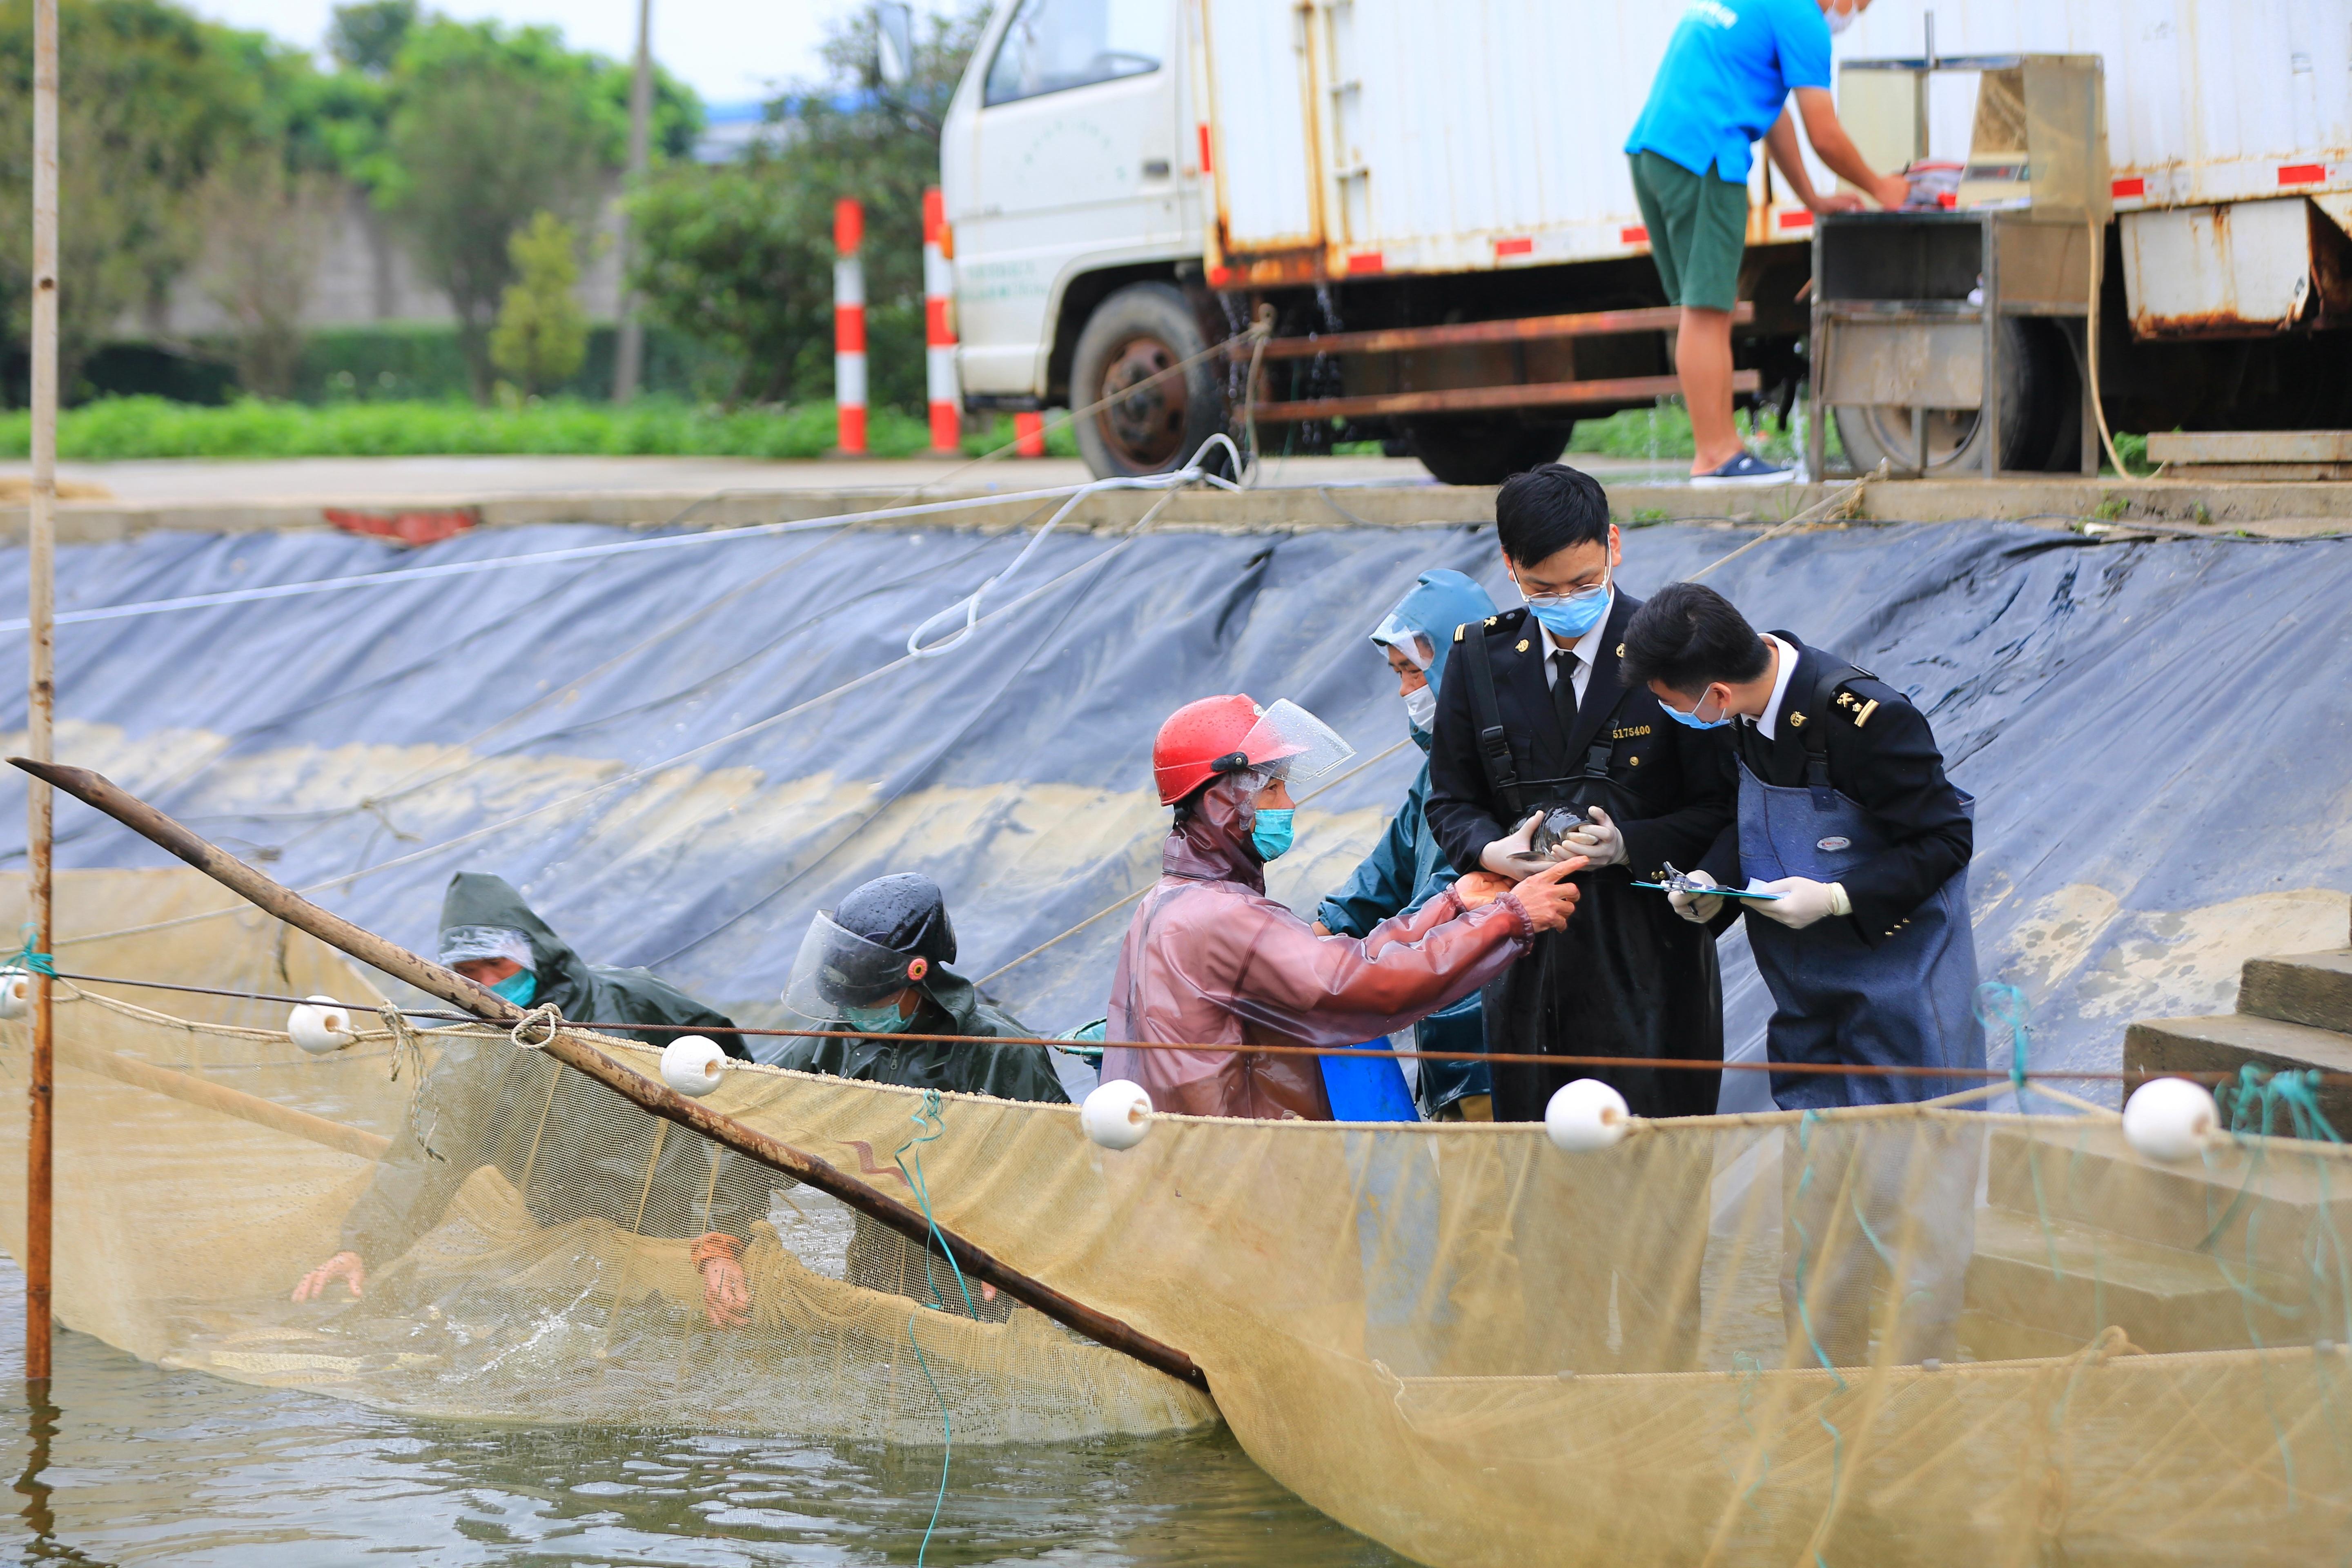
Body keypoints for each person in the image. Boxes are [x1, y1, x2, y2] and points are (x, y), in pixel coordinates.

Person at [1621, 581, 1983, 1364]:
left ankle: (1924, 1374)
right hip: (1807, 999)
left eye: (1680, 707)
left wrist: (1840, 896)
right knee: (1821, 1195)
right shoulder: (1745, 713)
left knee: (1908, 1195)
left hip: (1900, 995)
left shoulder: (1866, 719)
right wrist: (1710, 891)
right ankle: (1824, 1378)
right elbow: (1740, 822)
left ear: (1713, 692)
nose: (1683, 723)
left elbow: (1946, 840)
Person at [292, 873, 767, 1329]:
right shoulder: (472, 1051)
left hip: (684, 1232)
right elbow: (426, 1159)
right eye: (467, 973)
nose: (486, 983)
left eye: (498, 966)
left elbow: (743, 1116)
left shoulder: (634, 1004)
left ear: (536, 956)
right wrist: (362, 1249)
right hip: (566, 1242)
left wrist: (723, 1240)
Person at [1424, 464, 1737, 1126]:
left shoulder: (1676, 649)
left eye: (1585, 583)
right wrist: (1494, 851)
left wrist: (1631, 847)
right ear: (1510, 566)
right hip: (1526, 958)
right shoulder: (1479, 659)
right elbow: (1449, 801)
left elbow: (1724, 808)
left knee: (1655, 1172)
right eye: (1544, 588)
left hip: (1650, 964)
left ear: (1614, 547)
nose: (1567, 599)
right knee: (1539, 1178)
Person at [1104, 693, 1582, 1119]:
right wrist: (1508, 918)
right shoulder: (1222, 915)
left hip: (1206, 1163)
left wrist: (1452, 904)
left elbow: (1342, 961)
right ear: (1219, 803)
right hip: (1240, 1170)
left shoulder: (1173, 901)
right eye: (1272, 789)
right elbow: (1362, 982)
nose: (1288, 802)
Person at [1623, 0, 1910, 485]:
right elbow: (1825, 133)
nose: (1856, 14)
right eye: (1859, 4)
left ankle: (1722, 452)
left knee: (1704, 310)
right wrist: (1881, 187)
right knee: (1707, 310)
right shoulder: (1804, 19)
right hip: (1705, 156)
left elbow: (1776, 120)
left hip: (1657, 152)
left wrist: (1812, 198)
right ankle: (1716, 457)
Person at [774, 871, 1073, 1319]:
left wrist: (1016, 1250)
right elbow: (751, 1122)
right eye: (849, 1006)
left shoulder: (999, 1051)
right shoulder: (832, 1042)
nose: (858, 1017)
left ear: (918, 976)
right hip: (877, 1265)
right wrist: (721, 1241)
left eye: (872, 1005)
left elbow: (1058, 1172)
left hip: (985, 1272)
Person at [1314, 568, 1501, 1120]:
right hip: (1444, 1035)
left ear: (1452, 664)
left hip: (1490, 1042)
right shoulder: (1439, 773)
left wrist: (1343, 969)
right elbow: (1385, 876)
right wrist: (1306, 943)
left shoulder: (1500, 772)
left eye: (1412, 673)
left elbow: (1448, 901)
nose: (1405, 692)